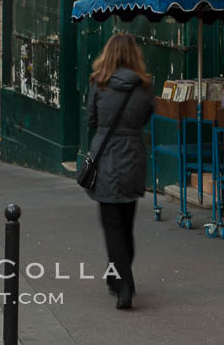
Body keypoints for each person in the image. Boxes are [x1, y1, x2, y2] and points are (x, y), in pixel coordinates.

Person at [86, 33, 154, 310]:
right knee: (126, 225)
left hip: (106, 157)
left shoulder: (98, 84)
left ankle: (123, 284)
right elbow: (147, 115)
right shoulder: (145, 86)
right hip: (134, 156)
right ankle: (119, 277)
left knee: (112, 226)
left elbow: (90, 118)